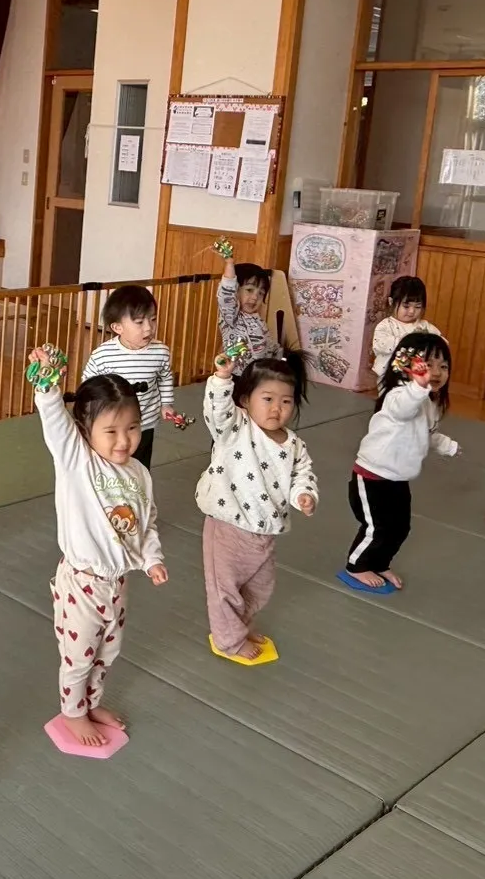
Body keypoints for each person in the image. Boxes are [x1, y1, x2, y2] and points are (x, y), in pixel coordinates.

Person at [30, 348, 167, 747]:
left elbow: (146, 523)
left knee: (108, 652)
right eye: (111, 431)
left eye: (133, 428)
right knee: (79, 656)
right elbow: (53, 418)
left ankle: (91, 703)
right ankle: (73, 714)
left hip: (117, 583)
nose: (124, 441)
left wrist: (152, 559)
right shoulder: (77, 461)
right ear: (85, 430)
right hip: (81, 583)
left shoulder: (138, 473)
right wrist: (47, 384)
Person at [197, 351, 316, 662]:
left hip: (265, 530)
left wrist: (304, 495)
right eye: (268, 399)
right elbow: (217, 412)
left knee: (260, 588)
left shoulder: (294, 444)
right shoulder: (235, 429)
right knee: (225, 590)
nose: (277, 408)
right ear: (245, 400)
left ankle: (242, 626)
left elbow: (302, 474)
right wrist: (222, 379)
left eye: (286, 401)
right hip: (228, 525)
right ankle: (229, 640)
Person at [340, 333, 458, 594]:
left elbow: (427, 434)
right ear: (407, 366)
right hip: (371, 475)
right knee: (377, 527)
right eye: (428, 365)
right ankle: (356, 566)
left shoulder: (430, 403)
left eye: (443, 366)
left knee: (401, 528)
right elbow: (404, 408)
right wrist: (418, 386)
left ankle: (380, 563)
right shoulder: (398, 395)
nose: (436, 372)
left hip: (398, 477)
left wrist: (448, 445)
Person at [81, 285, 176, 469]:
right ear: (118, 327)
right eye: (139, 322)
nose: (148, 328)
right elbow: (88, 386)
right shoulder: (103, 355)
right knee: (112, 468)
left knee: (140, 467)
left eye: (153, 319)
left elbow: (165, 377)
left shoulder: (161, 351)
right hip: (112, 425)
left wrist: (166, 404)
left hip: (145, 423)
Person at [217, 252, 279, 373]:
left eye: (261, 293)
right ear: (236, 291)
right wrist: (229, 263)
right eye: (249, 290)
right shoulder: (231, 316)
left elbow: (268, 343)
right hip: (236, 373)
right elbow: (227, 292)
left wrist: (278, 356)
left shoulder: (257, 319)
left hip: (257, 373)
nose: (255, 297)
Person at [370, 276, 443, 379]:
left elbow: (442, 343)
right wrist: (409, 342)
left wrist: (429, 345)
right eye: (406, 306)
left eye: (417, 307)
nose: (412, 311)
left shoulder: (424, 326)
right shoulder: (385, 325)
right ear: (391, 302)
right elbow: (380, 345)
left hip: (416, 378)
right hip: (388, 377)